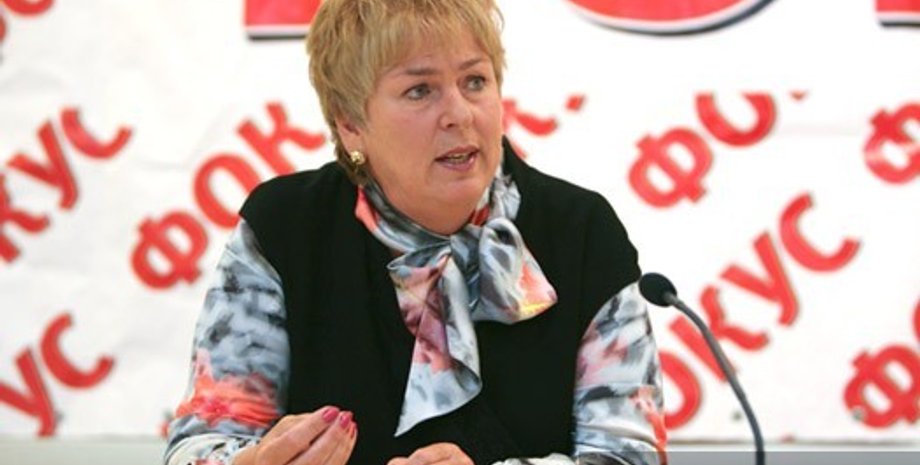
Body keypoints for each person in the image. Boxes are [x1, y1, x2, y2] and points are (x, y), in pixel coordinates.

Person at [164, 1, 667, 464]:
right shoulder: (285, 228)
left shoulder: (581, 231)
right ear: (350, 123)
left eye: (475, 81)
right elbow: (198, 446)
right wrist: (252, 463)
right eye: (420, 90)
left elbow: (630, 456)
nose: (459, 114)